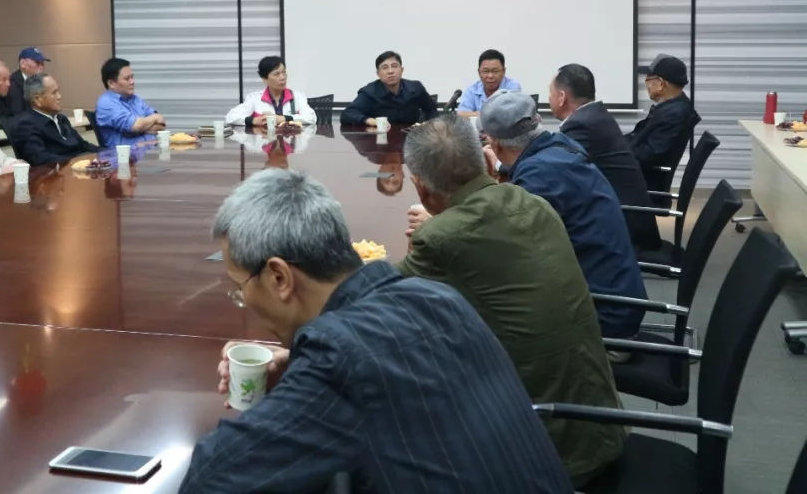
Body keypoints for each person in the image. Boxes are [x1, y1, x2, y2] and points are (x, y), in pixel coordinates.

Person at [180, 169, 572, 493]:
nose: (242, 299)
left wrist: (310, 374)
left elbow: (210, 479)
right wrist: (301, 373)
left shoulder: (340, 356)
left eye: (240, 287)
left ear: (279, 277)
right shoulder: (438, 297)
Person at [399, 115, 626, 487]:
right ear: (487, 162)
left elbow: (382, 301)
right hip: (600, 423)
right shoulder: (534, 204)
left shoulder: (442, 237)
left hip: (544, 450)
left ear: (420, 186)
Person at [481, 91, 647, 339]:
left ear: (495, 144)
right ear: (537, 122)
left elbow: (504, 248)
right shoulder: (561, 146)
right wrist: (502, 167)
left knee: (482, 313)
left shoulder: (538, 177)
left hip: (601, 322)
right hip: (618, 299)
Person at [549, 64, 662, 250]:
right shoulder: (594, 115)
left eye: (550, 93)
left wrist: (504, 163)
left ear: (562, 97)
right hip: (622, 214)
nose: (548, 98)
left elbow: (554, 169)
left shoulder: (581, 124)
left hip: (622, 229)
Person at [628, 54, 701, 190]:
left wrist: (615, 152)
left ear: (661, 83)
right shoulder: (673, 108)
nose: (646, 85)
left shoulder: (673, 115)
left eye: (648, 80)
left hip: (640, 185)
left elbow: (648, 154)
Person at [10, 73, 98, 166]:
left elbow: (83, 146)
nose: (59, 96)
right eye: (54, 93)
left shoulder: (61, 119)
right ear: (37, 99)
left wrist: (105, 153)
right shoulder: (25, 125)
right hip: (57, 172)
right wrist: (77, 162)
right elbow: (40, 158)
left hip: (78, 166)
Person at [339, 50, 438, 126]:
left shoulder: (416, 88)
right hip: (379, 140)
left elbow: (432, 110)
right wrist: (371, 121)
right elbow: (347, 114)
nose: (390, 71)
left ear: (401, 70)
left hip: (411, 139)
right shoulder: (369, 92)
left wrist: (429, 124)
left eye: (394, 66)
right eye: (385, 67)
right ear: (378, 74)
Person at [225, 56, 317, 127]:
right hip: (265, 141)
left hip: (290, 143)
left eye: (284, 72)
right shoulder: (254, 98)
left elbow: (311, 118)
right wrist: (254, 120)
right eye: (276, 74)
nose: (283, 77)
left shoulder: (297, 96)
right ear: (265, 79)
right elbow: (230, 117)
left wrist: (283, 119)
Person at [95, 57, 166, 148]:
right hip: (127, 155)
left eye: (132, 77)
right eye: (127, 79)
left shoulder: (135, 99)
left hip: (152, 150)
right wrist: (154, 118)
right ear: (111, 83)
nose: (132, 82)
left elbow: (161, 124)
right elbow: (136, 126)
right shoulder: (106, 103)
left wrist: (142, 126)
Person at [458, 48, 523, 112]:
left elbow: (513, 113)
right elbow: (462, 113)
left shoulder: (513, 88)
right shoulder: (472, 90)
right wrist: (487, 115)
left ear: (503, 71)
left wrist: (478, 115)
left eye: (495, 71)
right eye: (486, 71)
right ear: (479, 72)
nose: (490, 76)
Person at [8, 47, 49, 116]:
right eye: (37, 63)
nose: (41, 67)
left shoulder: (38, 83)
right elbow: (17, 114)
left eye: (42, 64)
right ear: (23, 63)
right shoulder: (12, 84)